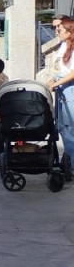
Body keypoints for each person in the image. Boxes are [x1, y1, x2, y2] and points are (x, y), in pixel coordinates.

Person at [48, 18, 74, 164]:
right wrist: (53, 79)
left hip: (70, 88)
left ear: (69, 31)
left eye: (59, 30)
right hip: (61, 87)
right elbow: (60, 68)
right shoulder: (63, 45)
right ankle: (69, 159)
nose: (56, 32)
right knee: (63, 126)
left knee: (70, 127)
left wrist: (57, 82)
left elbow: (72, 72)